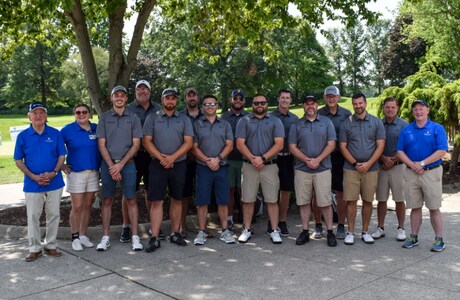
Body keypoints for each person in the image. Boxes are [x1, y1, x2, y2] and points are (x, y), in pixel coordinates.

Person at [14, 101, 66, 261]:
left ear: (46, 116)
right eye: (34, 113)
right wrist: (34, 177)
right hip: (32, 184)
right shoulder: (23, 136)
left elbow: (61, 156)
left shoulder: (55, 133)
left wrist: (54, 173)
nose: (38, 116)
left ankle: (50, 245)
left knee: (54, 215)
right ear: (29, 116)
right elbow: (18, 160)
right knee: (33, 217)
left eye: (41, 113)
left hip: (54, 182)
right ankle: (34, 248)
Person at [143, 88, 194, 252]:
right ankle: (154, 237)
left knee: (177, 199)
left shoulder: (184, 119)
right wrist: (162, 158)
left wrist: (172, 158)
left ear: (176, 101)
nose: (170, 101)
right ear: (162, 100)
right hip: (157, 165)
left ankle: (175, 233)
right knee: (156, 201)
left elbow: (188, 142)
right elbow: (147, 141)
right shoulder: (153, 117)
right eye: (167, 98)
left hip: (178, 164)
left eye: (173, 98)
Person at [96, 85, 143, 251]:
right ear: (111, 98)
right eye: (116, 95)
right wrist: (112, 166)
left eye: (122, 95)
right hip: (108, 165)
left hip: (128, 165)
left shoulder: (134, 117)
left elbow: (136, 144)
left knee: (131, 199)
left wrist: (120, 165)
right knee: (107, 200)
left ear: (126, 98)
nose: (119, 98)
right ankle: (105, 237)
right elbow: (101, 144)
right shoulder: (104, 118)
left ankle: (136, 237)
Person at [397, 100, 448, 252]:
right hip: (411, 172)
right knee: (415, 207)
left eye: (421, 109)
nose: (418, 112)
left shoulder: (436, 128)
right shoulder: (406, 130)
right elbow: (400, 151)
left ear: (427, 110)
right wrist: (413, 165)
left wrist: (422, 163)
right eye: (415, 110)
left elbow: (442, 151)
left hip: (431, 172)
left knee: (433, 207)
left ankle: (439, 239)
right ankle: (413, 236)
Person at [289, 96, 337, 247]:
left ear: (317, 105)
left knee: (325, 202)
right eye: (307, 104)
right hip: (302, 169)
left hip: (323, 168)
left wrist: (318, 160)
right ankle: (304, 231)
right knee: (303, 202)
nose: (310, 106)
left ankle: (330, 232)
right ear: (303, 106)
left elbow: (331, 144)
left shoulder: (326, 122)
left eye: (313, 104)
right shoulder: (296, 124)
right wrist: (307, 160)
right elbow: (292, 146)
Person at [236, 93, 284, 244]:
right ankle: (247, 229)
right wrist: (253, 159)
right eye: (256, 103)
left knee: (272, 200)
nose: (259, 105)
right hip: (249, 165)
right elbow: (240, 143)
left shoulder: (275, 121)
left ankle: (274, 230)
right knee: (248, 199)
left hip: (269, 166)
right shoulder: (244, 121)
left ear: (267, 104)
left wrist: (262, 158)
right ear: (252, 105)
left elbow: (279, 144)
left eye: (262, 103)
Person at [339, 93, 385, 245]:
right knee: (351, 201)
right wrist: (354, 163)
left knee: (367, 201)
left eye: (360, 103)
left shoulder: (376, 122)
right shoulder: (347, 123)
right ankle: (350, 232)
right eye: (355, 104)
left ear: (365, 103)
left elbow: (380, 146)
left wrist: (369, 163)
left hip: (371, 169)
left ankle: (365, 231)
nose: (358, 106)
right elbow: (343, 147)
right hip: (351, 169)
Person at [120, 79, 163, 243]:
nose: (142, 91)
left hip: (152, 155)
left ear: (150, 92)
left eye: (145, 89)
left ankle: (154, 226)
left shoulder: (158, 109)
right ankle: (126, 226)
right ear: (135, 91)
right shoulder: (128, 108)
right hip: (132, 156)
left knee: (151, 192)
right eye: (139, 89)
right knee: (129, 192)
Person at [192, 95, 235, 245]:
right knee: (202, 200)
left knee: (223, 199)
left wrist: (218, 158)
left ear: (217, 105)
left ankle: (224, 231)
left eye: (212, 104)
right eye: (206, 104)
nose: (210, 106)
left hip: (221, 166)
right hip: (203, 167)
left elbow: (230, 144)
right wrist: (208, 160)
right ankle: (202, 231)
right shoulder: (197, 124)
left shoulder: (225, 124)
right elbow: (194, 147)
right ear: (202, 107)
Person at [61, 104, 101, 251]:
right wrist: (62, 165)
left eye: (84, 112)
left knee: (87, 205)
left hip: (93, 172)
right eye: (78, 112)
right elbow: (56, 148)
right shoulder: (67, 130)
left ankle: (83, 235)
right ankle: (75, 237)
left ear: (89, 114)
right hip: (76, 173)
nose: (81, 114)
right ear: (74, 114)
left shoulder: (96, 128)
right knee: (77, 206)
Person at [371, 97, 408, 241]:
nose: (390, 110)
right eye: (387, 107)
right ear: (384, 108)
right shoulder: (377, 124)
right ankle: (380, 227)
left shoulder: (404, 125)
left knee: (399, 199)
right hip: (381, 165)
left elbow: (407, 147)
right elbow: (373, 145)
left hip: (398, 166)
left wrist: (394, 159)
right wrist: (383, 158)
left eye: (393, 107)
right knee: (381, 199)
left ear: (397, 108)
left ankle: (401, 228)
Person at [317, 86, 351, 239]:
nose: (331, 99)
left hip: (339, 156)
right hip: (321, 156)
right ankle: (318, 224)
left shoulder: (346, 114)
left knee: (340, 192)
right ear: (324, 98)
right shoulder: (318, 113)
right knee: (317, 192)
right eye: (328, 96)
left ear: (338, 97)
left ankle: (341, 225)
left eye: (334, 96)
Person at [269, 89, 299, 236]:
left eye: (287, 98)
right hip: (273, 158)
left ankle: (282, 221)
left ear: (291, 100)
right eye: (282, 97)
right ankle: (271, 221)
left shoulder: (295, 119)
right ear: (278, 99)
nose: (285, 100)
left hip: (288, 158)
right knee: (272, 190)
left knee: (285, 190)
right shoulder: (270, 117)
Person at [221, 89, 249, 231]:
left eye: (240, 98)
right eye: (235, 98)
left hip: (245, 160)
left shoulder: (250, 117)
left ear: (244, 101)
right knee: (229, 190)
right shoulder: (224, 117)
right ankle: (230, 218)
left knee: (245, 191)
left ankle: (246, 220)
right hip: (229, 160)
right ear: (231, 100)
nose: (238, 100)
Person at [180, 87, 203, 238]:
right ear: (185, 99)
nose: (192, 98)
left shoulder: (206, 115)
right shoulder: (180, 116)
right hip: (186, 160)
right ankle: (182, 226)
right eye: (189, 96)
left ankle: (203, 227)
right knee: (184, 194)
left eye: (194, 95)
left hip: (203, 160)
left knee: (202, 193)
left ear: (198, 98)